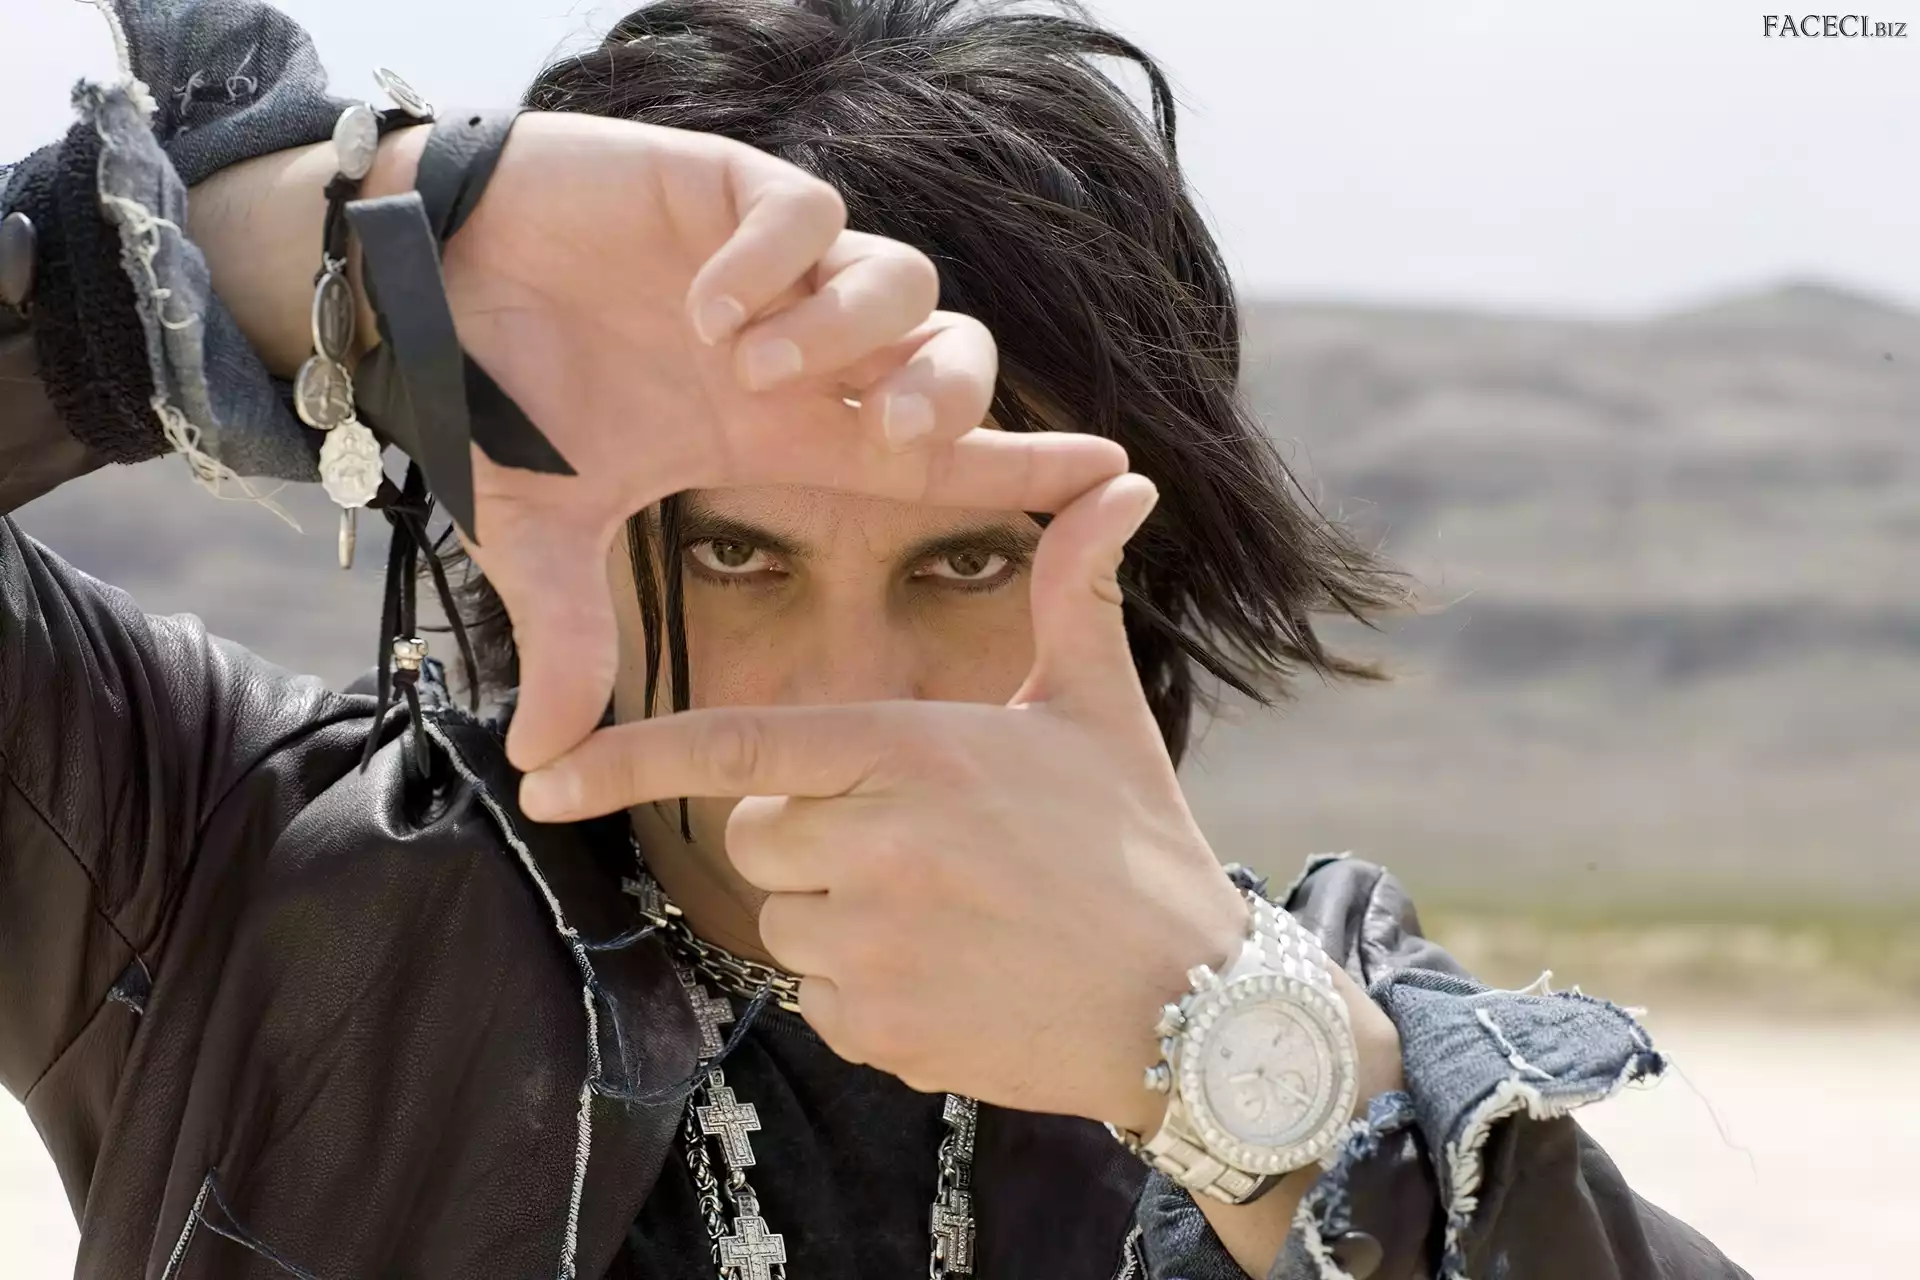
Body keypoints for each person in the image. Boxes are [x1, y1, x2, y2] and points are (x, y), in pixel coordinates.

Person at [0, 1, 1751, 1278]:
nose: (852, 694)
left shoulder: (1322, 1030)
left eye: (970, 561)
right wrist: (322, 245)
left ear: (1132, 561)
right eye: (737, 552)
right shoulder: (226, 862)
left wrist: (1248, 1075)